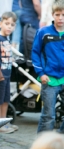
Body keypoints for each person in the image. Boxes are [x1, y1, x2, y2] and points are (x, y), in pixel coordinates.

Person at [31, 0, 64, 134]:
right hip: (49, 79)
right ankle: (42, 146)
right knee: (48, 116)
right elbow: (35, 53)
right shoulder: (43, 32)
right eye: (57, 14)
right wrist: (40, 73)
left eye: (63, 14)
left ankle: (59, 140)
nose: (60, 18)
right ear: (52, 15)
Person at [0, 11, 18, 133]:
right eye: (7, 23)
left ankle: (5, 122)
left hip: (7, 75)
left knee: (6, 100)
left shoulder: (7, 38)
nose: (9, 26)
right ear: (0, 24)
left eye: (12, 24)